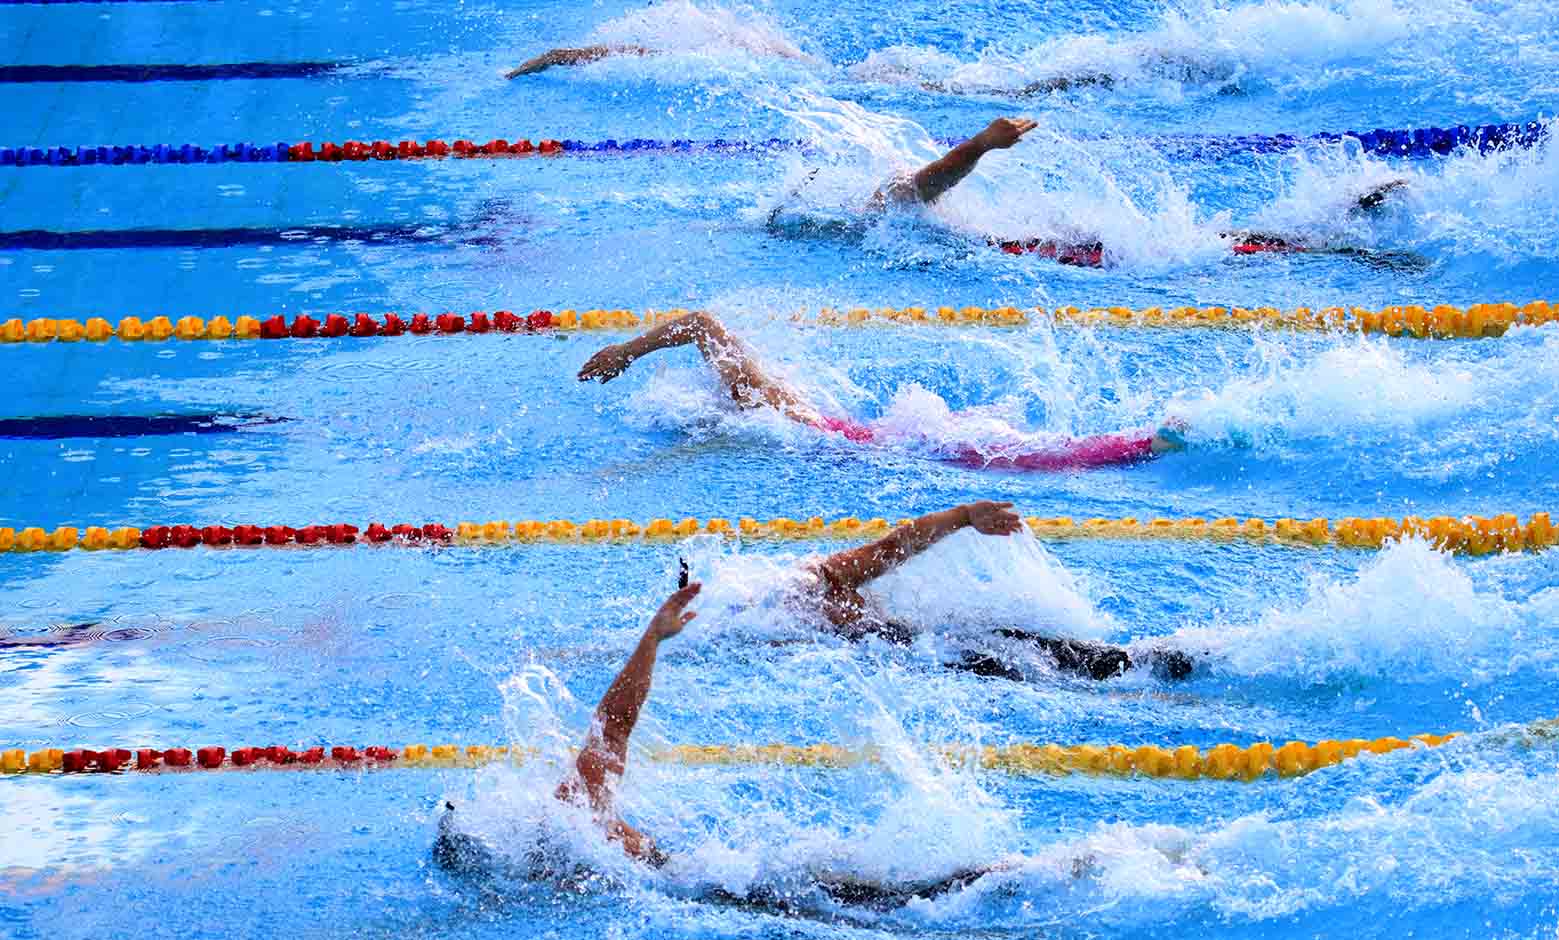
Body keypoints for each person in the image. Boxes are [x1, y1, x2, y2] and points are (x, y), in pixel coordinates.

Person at [433, 580, 1011, 909]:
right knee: (889, 898)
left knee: (878, 904)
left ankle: (987, 879)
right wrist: (651, 640)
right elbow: (615, 720)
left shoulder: (562, 872)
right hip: (733, 878)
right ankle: (1004, 875)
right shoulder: (572, 812)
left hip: (713, 891)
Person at [577, 308, 1186, 471]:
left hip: (877, 447)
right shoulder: (771, 405)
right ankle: (1144, 442)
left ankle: (1147, 442)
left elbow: (703, 324)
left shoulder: (763, 405)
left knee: (1026, 459)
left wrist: (623, 353)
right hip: (878, 439)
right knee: (1026, 455)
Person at [857, 116, 1415, 267]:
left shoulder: (898, 215)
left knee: (1213, 245)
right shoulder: (900, 209)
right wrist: (979, 144)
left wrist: (980, 144)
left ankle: (1339, 238)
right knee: (1212, 244)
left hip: (1054, 250)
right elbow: (932, 181)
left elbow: (932, 181)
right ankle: (1340, 236)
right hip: (1052, 250)